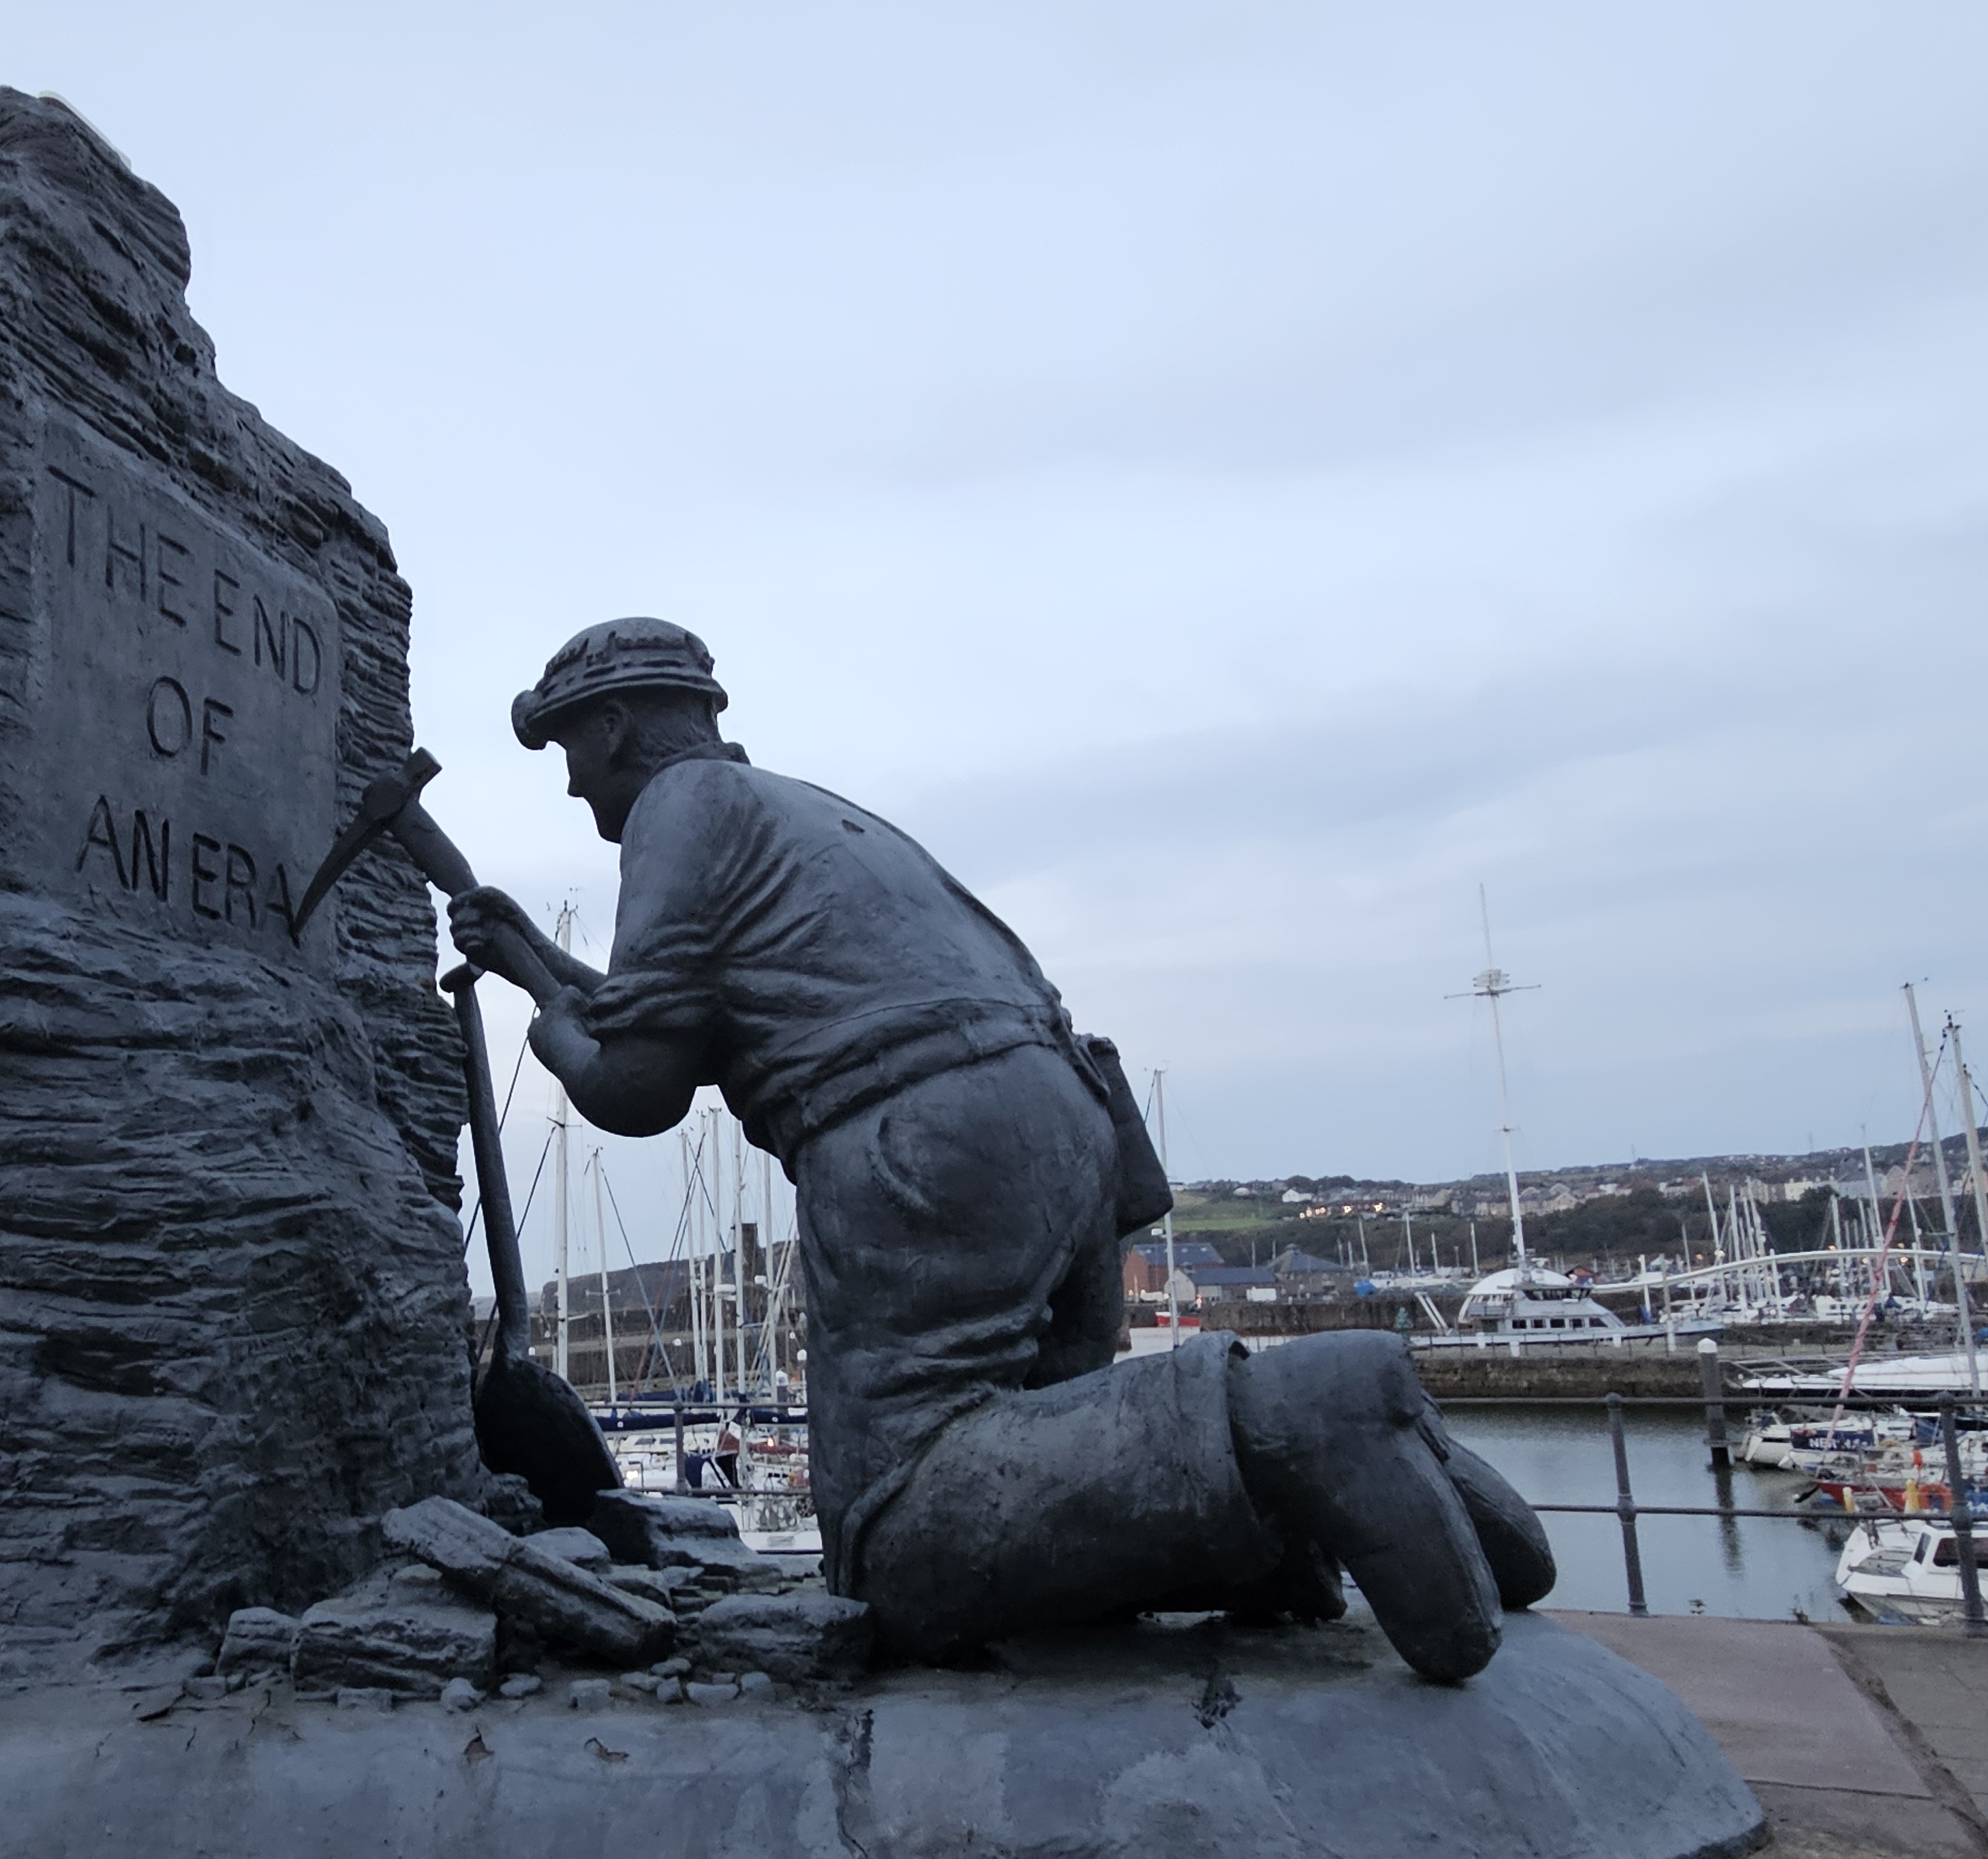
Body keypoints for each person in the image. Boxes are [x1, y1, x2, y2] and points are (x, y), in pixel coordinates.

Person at [451, 618, 1554, 1678]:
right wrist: (536, 960)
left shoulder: (678, 805)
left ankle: (1300, 1415)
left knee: (904, 1543)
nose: (571, 786)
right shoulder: (800, 811)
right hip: (1057, 1122)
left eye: (566, 751)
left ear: (611, 728)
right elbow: (681, 1025)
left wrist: (544, 1028)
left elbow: (640, 1087)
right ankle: (1339, 1490)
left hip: (922, 1147)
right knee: (1035, 1448)